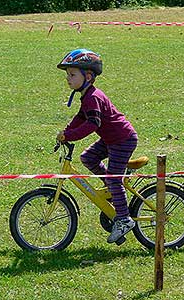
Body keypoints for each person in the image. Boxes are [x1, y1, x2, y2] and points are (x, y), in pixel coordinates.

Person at [56, 49, 138, 244]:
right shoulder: (86, 96)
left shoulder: (93, 97)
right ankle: (112, 189)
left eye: (72, 74)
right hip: (111, 139)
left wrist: (70, 136)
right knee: (88, 158)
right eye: (67, 75)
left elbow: (93, 124)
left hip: (122, 140)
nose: (68, 79)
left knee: (113, 176)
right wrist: (66, 132)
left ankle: (124, 219)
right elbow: (80, 118)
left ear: (88, 76)